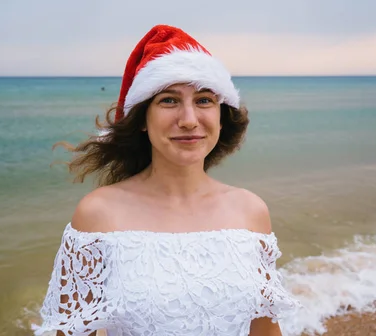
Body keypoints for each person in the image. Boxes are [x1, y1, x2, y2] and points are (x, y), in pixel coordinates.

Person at [33, 25, 299, 336]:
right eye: (169, 101)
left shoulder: (250, 212)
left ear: (221, 115)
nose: (189, 120)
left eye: (203, 100)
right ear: (142, 119)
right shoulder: (98, 216)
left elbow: (265, 330)